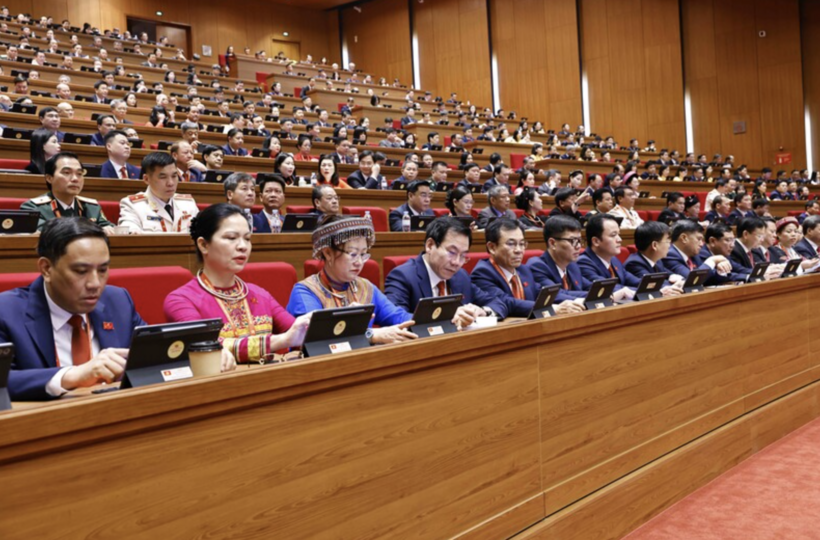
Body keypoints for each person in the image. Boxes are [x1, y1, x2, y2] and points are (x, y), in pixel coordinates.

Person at [0, 218, 146, 400]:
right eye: (80, 271)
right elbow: (4, 381)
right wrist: (72, 375)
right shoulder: (6, 311)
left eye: (102, 270)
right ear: (46, 269)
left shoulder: (118, 301)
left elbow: (152, 359)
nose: (95, 284)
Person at [164, 204, 307, 364]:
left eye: (247, 238)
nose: (243, 246)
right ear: (204, 245)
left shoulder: (259, 293)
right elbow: (207, 348)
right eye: (231, 238)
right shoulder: (181, 300)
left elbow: (298, 333)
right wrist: (282, 340)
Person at [286, 215, 417, 344]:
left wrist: (426, 319)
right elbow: (317, 339)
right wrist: (371, 335)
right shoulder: (306, 291)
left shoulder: (365, 287)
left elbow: (398, 317)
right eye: (353, 254)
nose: (359, 262)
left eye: (363, 254)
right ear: (328, 253)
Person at [384, 217, 511, 323]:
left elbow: (497, 303)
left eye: (463, 256)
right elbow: (395, 319)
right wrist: (450, 317)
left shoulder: (461, 276)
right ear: (430, 245)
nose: (456, 262)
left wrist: (484, 311)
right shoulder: (402, 276)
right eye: (451, 252)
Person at [472, 219, 584, 317]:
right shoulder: (483, 272)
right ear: (492, 247)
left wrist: (579, 300)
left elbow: (543, 294)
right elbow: (506, 302)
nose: (518, 250)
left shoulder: (523, 270)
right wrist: (552, 308)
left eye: (522, 244)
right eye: (511, 244)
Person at [22, 152, 115, 233]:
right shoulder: (33, 208)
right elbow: (48, 235)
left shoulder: (92, 207)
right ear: (49, 178)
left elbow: (108, 227)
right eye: (66, 172)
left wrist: (109, 229)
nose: (75, 179)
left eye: (79, 174)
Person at [118, 152, 199, 234]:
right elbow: (129, 229)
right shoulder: (132, 205)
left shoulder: (188, 203)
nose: (170, 183)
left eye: (174, 176)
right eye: (163, 177)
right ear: (146, 179)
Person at [526, 215, 593, 303]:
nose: (579, 246)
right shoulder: (537, 266)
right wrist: (591, 298)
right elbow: (555, 295)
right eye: (573, 241)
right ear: (553, 243)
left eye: (579, 240)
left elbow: (591, 287)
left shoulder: (572, 266)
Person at [576, 214, 639, 299]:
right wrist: (636, 290)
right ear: (596, 241)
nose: (620, 239)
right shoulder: (583, 262)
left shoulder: (613, 260)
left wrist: (656, 287)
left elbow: (635, 281)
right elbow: (606, 288)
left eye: (619, 234)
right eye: (613, 235)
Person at [622, 223, 683, 296]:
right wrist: (675, 285)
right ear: (654, 245)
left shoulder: (657, 260)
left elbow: (667, 274)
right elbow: (650, 284)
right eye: (667, 242)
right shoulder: (634, 263)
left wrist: (676, 278)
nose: (669, 246)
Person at [661, 219, 733, 281]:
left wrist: (721, 271)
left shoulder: (694, 255)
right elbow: (692, 280)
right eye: (699, 239)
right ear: (684, 238)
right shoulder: (669, 255)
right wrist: (712, 260)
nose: (702, 244)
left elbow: (707, 279)